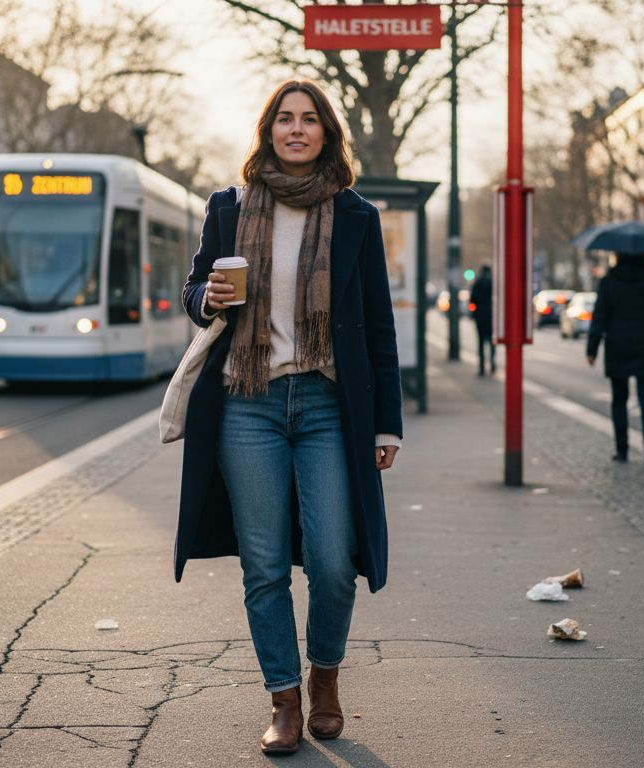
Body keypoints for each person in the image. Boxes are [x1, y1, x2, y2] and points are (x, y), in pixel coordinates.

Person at [176, 79, 402, 756]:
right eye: (285, 119)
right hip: (248, 403)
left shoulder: (356, 216)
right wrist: (205, 297)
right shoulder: (229, 208)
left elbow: (379, 329)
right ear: (268, 130)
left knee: (334, 560)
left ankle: (324, 677)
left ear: (327, 133)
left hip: (329, 404)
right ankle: (283, 700)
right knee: (265, 564)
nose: (296, 129)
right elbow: (194, 289)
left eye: (309, 120)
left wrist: (386, 422)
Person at [586, 252, 644, 467]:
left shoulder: (608, 282)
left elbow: (600, 316)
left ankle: (622, 448)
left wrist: (592, 348)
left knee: (619, 399)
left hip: (619, 344)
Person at [469, 264, 495, 376]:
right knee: (492, 342)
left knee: (480, 342)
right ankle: (493, 362)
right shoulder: (494, 283)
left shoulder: (477, 283)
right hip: (492, 316)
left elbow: (472, 299)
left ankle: (482, 367)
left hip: (480, 316)